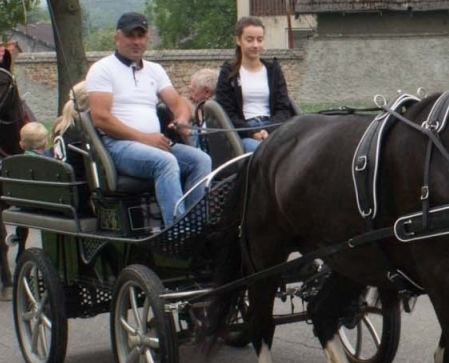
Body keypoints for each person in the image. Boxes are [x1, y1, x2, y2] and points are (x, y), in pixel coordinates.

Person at [85, 12, 209, 226]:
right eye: (130, 36)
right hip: (118, 146)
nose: (136, 42)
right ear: (117, 38)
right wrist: (145, 138)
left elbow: (178, 103)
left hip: (154, 144)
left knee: (201, 160)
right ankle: (177, 230)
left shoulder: (155, 70)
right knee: (166, 162)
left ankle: (197, 225)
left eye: (141, 36)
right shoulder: (102, 69)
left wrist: (181, 119)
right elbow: (101, 118)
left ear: (147, 38)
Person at [215, 16, 297, 153]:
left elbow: (283, 108)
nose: (255, 45)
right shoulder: (228, 72)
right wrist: (252, 132)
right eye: (249, 40)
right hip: (244, 133)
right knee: (264, 153)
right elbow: (227, 112)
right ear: (238, 40)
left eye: (260, 40)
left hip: (273, 129)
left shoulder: (274, 70)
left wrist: (269, 130)